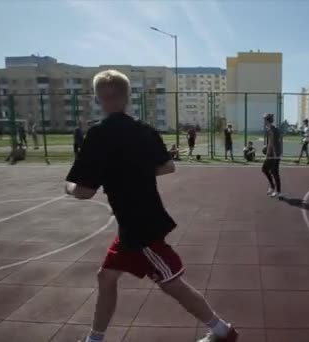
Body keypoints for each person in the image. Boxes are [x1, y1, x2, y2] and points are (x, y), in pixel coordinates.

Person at [65, 70, 238, 342]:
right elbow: (167, 166)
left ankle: (223, 331)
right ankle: (94, 340)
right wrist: (134, 171)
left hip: (140, 229)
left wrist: (69, 187)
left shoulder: (98, 135)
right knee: (106, 277)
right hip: (132, 225)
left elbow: (84, 191)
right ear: (128, 96)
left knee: (172, 285)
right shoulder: (145, 130)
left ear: (99, 98)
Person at [262, 113, 282, 198]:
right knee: (265, 169)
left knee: (274, 172)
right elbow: (270, 142)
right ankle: (273, 187)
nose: (264, 121)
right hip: (272, 154)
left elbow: (274, 143)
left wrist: (271, 154)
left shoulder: (273, 130)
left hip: (274, 154)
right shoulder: (269, 129)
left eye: (264, 120)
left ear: (267, 120)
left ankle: (277, 191)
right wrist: (267, 148)